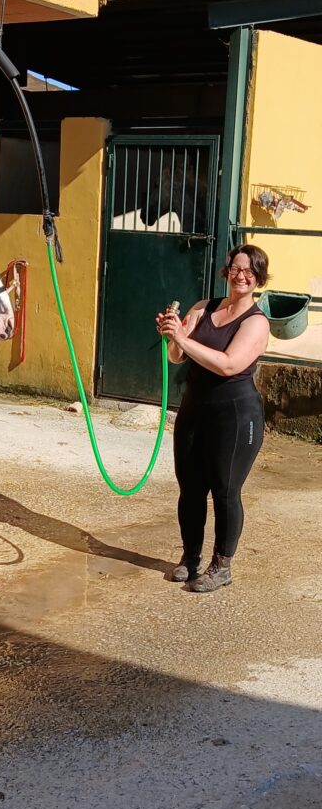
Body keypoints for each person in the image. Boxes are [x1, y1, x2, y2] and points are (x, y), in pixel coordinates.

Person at [156, 245, 270, 593]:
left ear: (259, 278)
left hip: (235, 415)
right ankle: (190, 558)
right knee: (190, 488)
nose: (241, 275)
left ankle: (221, 566)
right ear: (226, 271)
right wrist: (173, 334)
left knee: (225, 490)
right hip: (195, 410)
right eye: (236, 268)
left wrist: (183, 339)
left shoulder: (256, 322)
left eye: (249, 271)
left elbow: (229, 364)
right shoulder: (203, 307)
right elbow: (176, 356)